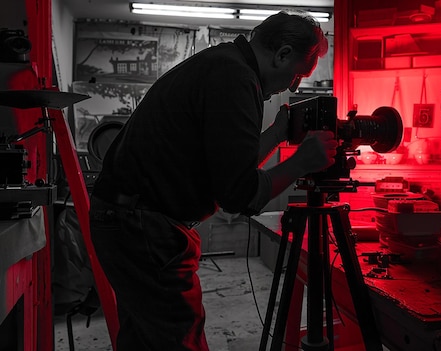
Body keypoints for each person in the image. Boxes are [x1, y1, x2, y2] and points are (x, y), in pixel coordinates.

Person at [89, 11, 336, 351]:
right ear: (281, 54)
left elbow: (229, 161)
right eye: (297, 74)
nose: (294, 86)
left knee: (146, 340)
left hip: (128, 220)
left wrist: (278, 133)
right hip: (142, 227)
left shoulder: (225, 63)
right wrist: (302, 163)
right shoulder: (236, 79)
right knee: (178, 339)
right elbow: (240, 195)